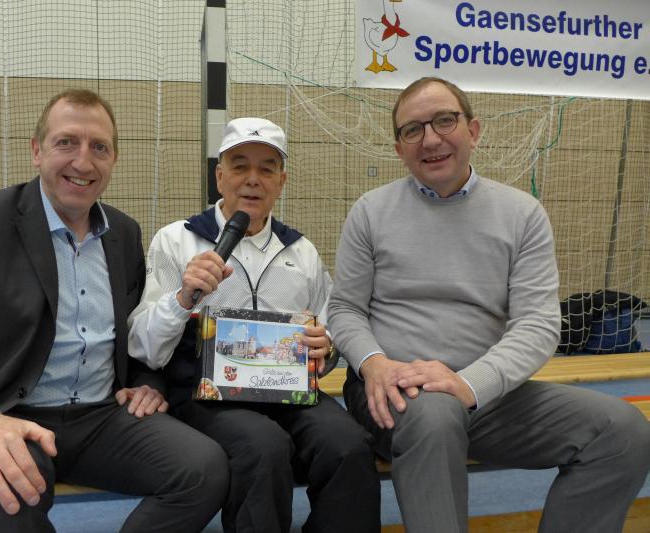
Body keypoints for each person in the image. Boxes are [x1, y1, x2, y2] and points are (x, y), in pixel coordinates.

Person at [328, 76, 650, 533]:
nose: (431, 139)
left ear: (473, 131)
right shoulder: (370, 211)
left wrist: (469, 384)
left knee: (623, 431)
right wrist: (374, 364)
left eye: (444, 121)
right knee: (435, 413)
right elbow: (344, 309)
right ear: (400, 149)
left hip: (487, 396)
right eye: (413, 130)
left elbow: (538, 324)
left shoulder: (522, 215)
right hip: (393, 394)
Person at [0, 89, 229, 533]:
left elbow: (132, 337)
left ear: (114, 160)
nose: (83, 161)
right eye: (66, 143)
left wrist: (146, 383)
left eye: (99, 147)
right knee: (8, 492)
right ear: (36, 151)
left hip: (102, 418)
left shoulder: (123, 234)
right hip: (11, 415)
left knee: (204, 468)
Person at [127, 117, 381, 533]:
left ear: (281, 181)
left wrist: (327, 348)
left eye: (267, 168)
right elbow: (144, 348)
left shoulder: (301, 251)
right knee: (263, 446)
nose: (252, 179)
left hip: (290, 394)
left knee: (348, 444)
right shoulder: (176, 240)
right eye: (240, 165)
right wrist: (183, 298)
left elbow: (331, 329)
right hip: (205, 397)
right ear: (220, 176)